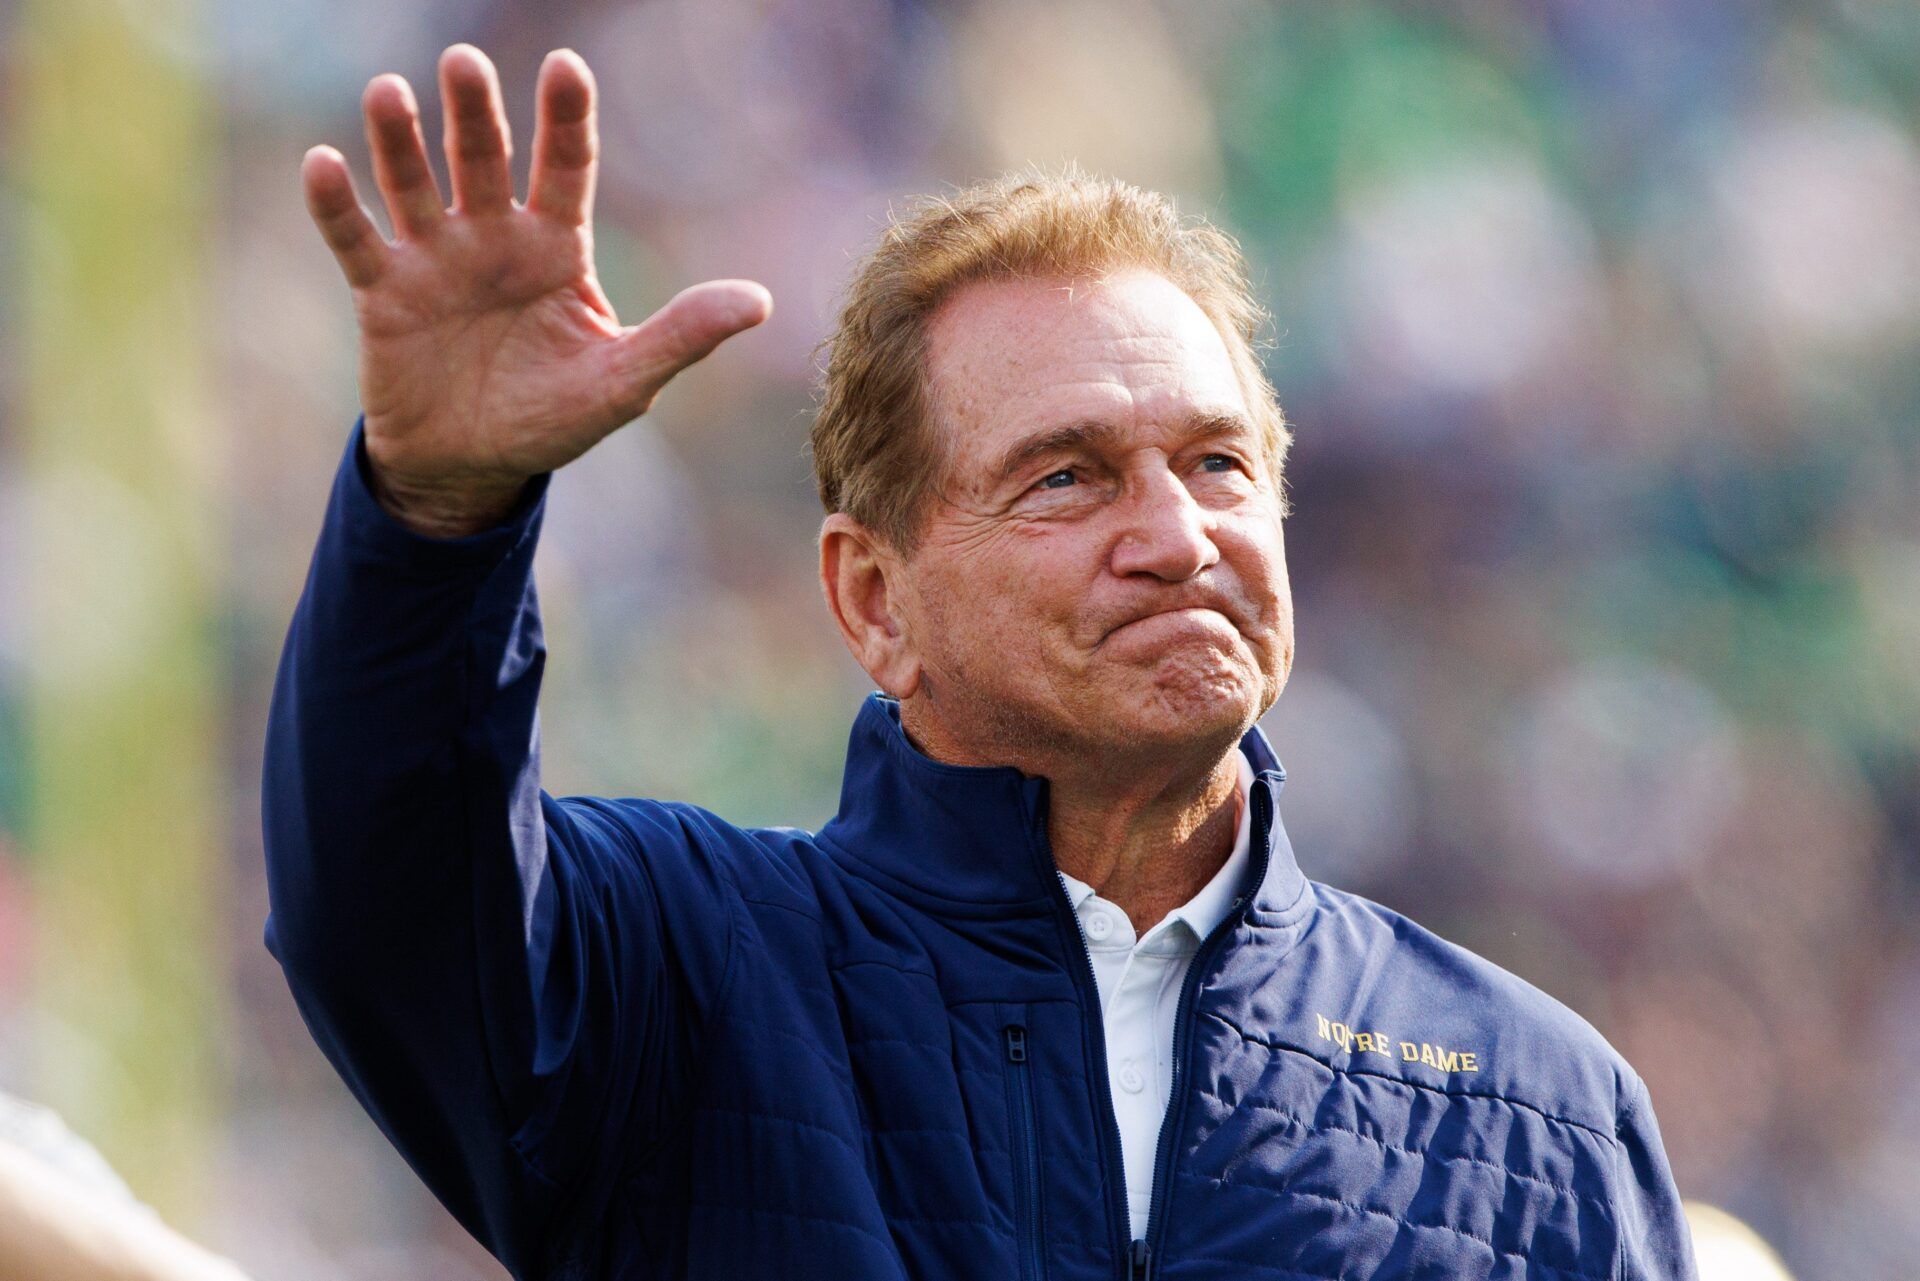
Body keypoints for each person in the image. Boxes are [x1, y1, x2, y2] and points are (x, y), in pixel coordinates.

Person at [263, 41, 1698, 1281]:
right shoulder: (683, 976)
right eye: (1069, 478)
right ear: (873, 599)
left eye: (1217, 463)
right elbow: (384, 906)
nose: (1176, 536)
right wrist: (436, 518)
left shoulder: (1541, 1104)